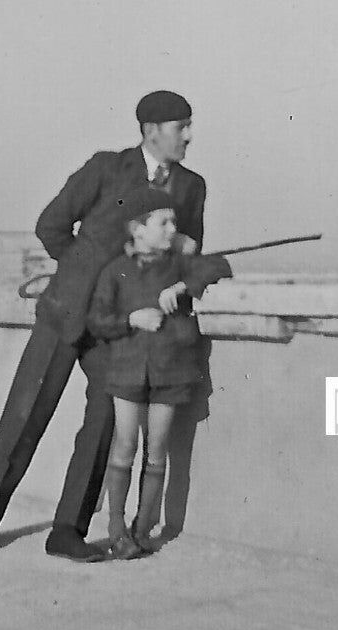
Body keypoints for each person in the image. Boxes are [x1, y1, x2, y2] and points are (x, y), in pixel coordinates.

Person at [0, 90, 207, 562]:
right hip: (66, 313)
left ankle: (67, 533)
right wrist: (82, 275)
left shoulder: (192, 188)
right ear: (152, 131)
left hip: (119, 329)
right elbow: (50, 226)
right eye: (182, 127)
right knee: (27, 414)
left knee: (103, 425)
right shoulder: (104, 168)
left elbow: (187, 256)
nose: (190, 137)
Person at [86, 187, 232, 558]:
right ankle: (116, 529)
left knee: (158, 451)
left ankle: (143, 528)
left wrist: (184, 284)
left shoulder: (178, 263)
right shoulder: (115, 271)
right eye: (162, 222)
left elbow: (219, 266)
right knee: (125, 446)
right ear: (137, 229)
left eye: (174, 222)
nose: (171, 229)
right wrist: (131, 318)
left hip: (171, 370)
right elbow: (97, 320)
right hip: (127, 370)